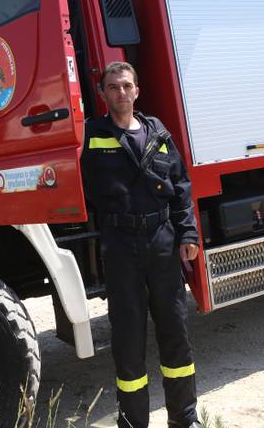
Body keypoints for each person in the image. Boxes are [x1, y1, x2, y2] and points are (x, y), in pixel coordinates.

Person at [81, 61, 202, 428]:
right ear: (102, 93)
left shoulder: (159, 134)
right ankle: (133, 422)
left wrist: (188, 234)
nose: (120, 92)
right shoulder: (90, 136)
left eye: (126, 85)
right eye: (113, 86)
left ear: (137, 90)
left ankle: (185, 418)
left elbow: (181, 187)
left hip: (162, 240)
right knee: (128, 337)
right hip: (120, 245)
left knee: (175, 330)